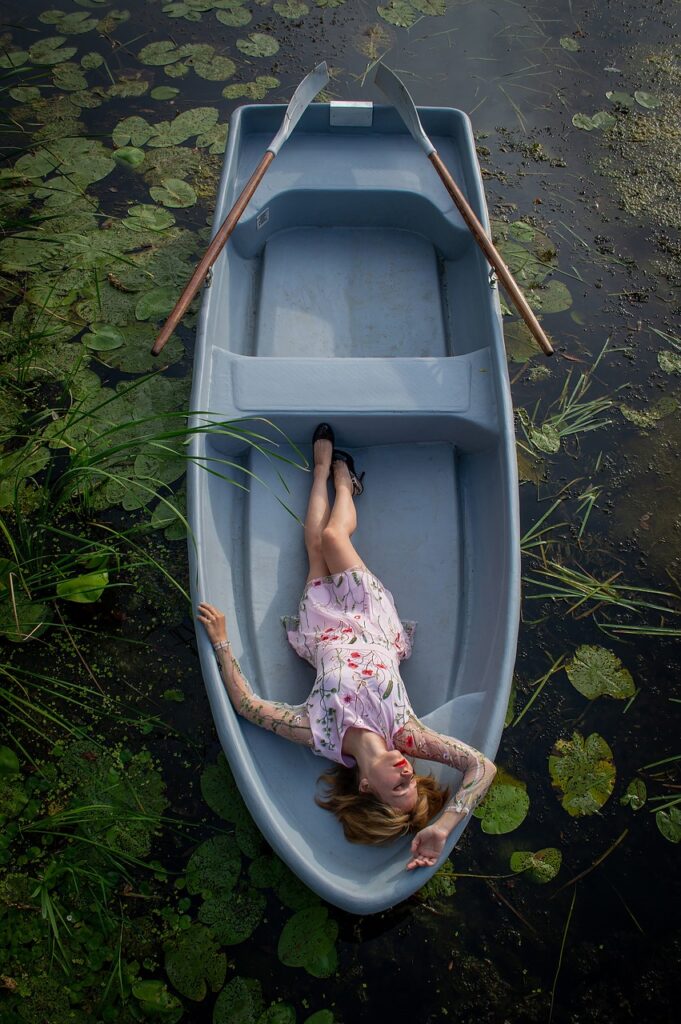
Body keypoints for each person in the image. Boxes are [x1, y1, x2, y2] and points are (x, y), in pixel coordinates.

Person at [197, 424, 497, 871]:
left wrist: (221, 640)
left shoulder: (318, 733)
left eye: (397, 786)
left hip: (323, 625)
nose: (404, 771)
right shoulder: (405, 733)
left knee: (316, 547)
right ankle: (345, 482)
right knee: (337, 540)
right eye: (410, 778)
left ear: (365, 788)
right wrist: (441, 827)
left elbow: (247, 706)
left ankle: (320, 472)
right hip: (371, 616)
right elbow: (481, 768)